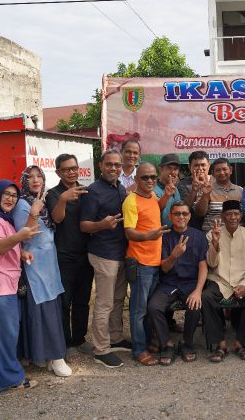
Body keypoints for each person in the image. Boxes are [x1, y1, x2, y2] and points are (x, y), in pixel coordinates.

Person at [0, 180, 39, 392]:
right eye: (6, 194)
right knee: (4, 333)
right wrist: (19, 237)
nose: (11, 198)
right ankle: (8, 378)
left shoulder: (2, 218)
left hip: (2, 282)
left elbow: (2, 246)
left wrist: (21, 251)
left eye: (14, 195)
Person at [13, 166, 71, 377]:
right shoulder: (22, 204)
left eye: (39, 176)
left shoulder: (42, 202)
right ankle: (55, 357)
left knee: (51, 306)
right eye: (30, 177)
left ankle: (45, 355)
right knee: (42, 309)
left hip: (49, 262)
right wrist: (34, 212)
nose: (36, 180)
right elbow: (24, 236)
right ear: (24, 181)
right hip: (34, 262)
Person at [79, 150, 131, 368]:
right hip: (103, 254)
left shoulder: (120, 188)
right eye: (109, 164)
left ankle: (116, 337)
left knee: (119, 299)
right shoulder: (93, 191)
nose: (113, 168)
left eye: (117, 165)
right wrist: (102, 224)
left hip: (121, 252)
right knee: (105, 302)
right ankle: (100, 349)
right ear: (101, 165)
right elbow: (84, 225)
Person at [147, 202, 209, 365]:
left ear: (189, 216)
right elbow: (165, 268)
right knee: (154, 307)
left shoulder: (199, 236)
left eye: (184, 214)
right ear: (170, 216)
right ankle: (167, 344)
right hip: (169, 283)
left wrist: (198, 291)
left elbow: (203, 265)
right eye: (177, 214)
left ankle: (187, 344)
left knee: (195, 306)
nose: (181, 217)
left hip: (191, 284)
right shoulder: (164, 236)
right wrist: (174, 255)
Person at [46, 154, 93, 358]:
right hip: (64, 255)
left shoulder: (85, 190)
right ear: (58, 172)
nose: (71, 172)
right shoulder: (54, 194)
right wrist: (64, 199)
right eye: (66, 169)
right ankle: (66, 343)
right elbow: (57, 218)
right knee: (65, 302)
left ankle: (80, 339)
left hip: (86, 254)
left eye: (74, 168)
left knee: (83, 300)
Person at [124, 162, 170, 366]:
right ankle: (139, 350)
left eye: (153, 177)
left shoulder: (152, 196)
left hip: (155, 261)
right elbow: (129, 232)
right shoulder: (131, 201)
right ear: (136, 179)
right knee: (138, 310)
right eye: (145, 177)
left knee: (151, 307)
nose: (150, 180)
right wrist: (147, 235)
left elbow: (155, 209)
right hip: (141, 262)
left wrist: (167, 196)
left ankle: (149, 342)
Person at [202, 200, 245, 362]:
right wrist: (215, 243)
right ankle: (219, 343)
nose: (232, 217)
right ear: (222, 216)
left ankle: (240, 342)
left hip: (243, 280)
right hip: (219, 280)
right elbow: (212, 264)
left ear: (241, 216)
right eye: (228, 214)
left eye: (236, 214)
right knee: (206, 297)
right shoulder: (211, 233)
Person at [196, 157, 243, 232]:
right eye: (218, 170)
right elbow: (199, 213)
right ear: (213, 173)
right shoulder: (206, 189)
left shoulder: (240, 190)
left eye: (224, 169)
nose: (221, 172)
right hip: (212, 235)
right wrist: (205, 195)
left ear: (230, 170)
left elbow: (243, 215)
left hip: (236, 236)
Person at [177, 150, 211, 229]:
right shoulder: (182, 185)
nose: (200, 168)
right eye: (196, 165)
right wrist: (193, 191)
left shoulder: (216, 182)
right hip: (192, 230)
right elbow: (184, 209)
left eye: (203, 165)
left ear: (209, 166)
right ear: (189, 167)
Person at [155, 153, 182, 224]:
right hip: (159, 232)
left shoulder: (175, 189)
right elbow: (154, 210)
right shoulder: (152, 188)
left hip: (174, 231)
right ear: (161, 169)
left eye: (175, 169)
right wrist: (166, 196)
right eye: (169, 168)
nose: (173, 172)